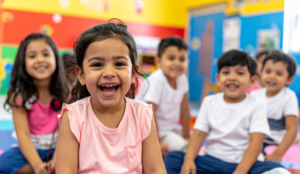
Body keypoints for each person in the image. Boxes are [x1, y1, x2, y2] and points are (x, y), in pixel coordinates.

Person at [55, 19, 166, 174]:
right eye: (97, 65)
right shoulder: (74, 117)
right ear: (81, 74)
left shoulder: (142, 114)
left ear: (133, 73)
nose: (108, 73)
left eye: (119, 64)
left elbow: (156, 170)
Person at [164, 50, 290, 174]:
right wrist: (189, 160)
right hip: (212, 160)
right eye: (226, 72)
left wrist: (241, 170)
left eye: (240, 73)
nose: (232, 78)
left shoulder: (257, 104)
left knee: (278, 170)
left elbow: (256, 142)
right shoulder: (209, 102)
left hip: (244, 164)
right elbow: (198, 135)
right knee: (173, 158)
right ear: (218, 79)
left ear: (252, 80)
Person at [0, 33, 69, 174]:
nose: (39, 60)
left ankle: (55, 167)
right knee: (3, 162)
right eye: (32, 56)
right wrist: (37, 165)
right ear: (23, 62)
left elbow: (66, 133)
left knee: (84, 155)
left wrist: (57, 160)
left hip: (60, 148)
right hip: (29, 150)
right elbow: (23, 135)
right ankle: (48, 169)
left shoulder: (66, 94)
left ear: (55, 58)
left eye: (45, 54)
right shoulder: (19, 96)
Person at [135, 37, 191, 156]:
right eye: (171, 58)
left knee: (196, 139)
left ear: (187, 62)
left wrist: (187, 136)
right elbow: (149, 113)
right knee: (187, 149)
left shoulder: (182, 79)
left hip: (167, 129)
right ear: (158, 61)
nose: (177, 63)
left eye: (182, 59)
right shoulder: (157, 80)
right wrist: (157, 142)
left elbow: (185, 109)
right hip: (145, 129)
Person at [251, 50, 299, 162]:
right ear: (261, 73)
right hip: (256, 139)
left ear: (289, 79)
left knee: (262, 161)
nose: (272, 76)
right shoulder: (255, 95)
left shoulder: (288, 97)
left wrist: (278, 154)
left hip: (275, 143)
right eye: (268, 71)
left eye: (279, 73)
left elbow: (292, 129)